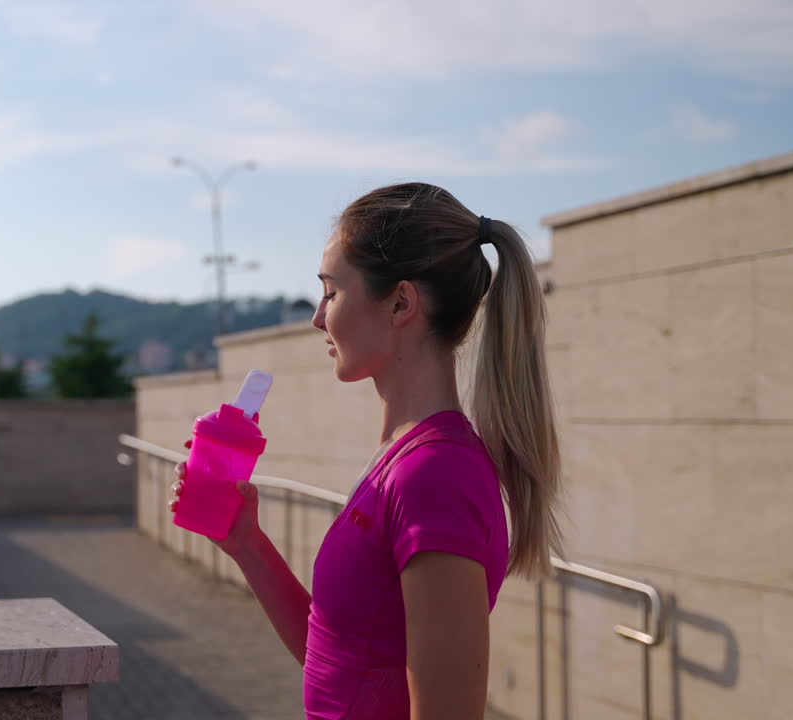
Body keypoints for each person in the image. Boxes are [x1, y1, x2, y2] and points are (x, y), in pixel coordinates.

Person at [169, 182, 563, 719]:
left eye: (331, 291)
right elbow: (338, 662)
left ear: (401, 302)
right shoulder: (403, 456)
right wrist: (247, 543)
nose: (317, 317)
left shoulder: (434, 476)